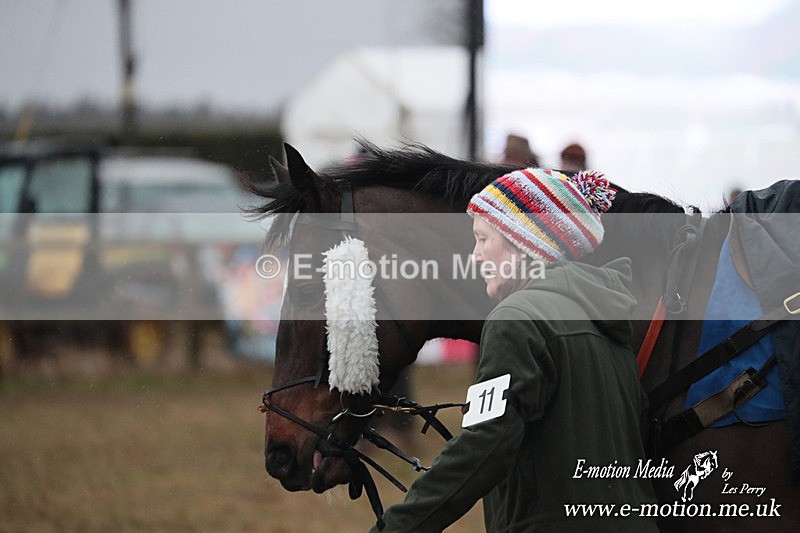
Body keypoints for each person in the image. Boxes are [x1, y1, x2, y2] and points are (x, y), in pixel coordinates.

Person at [371, 169, 658, 532]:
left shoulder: (516, 318)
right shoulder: (606, 321)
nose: (474, 256)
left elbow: (484, 446)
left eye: (482, 239)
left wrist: (396, 527)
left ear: (523, 243)